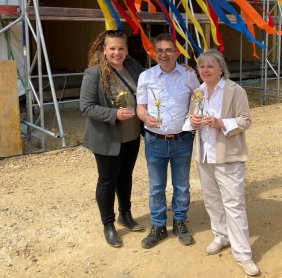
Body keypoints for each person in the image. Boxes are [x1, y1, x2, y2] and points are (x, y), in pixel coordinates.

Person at [185, 49, 259, 276]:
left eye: (209, 66)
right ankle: (221, 235)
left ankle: (243, 254)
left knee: (233, 204)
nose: (205, 70)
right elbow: (189, 119)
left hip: (228, 155)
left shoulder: (235, 91)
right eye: (201, 66)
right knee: (211, 199)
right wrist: (193, 120)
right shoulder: (197, 92)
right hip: (204, 155)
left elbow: (246, 120)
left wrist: (221, 123)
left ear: (221, 69)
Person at [79, 30, 145, 247]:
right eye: (112, 48)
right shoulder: (93, 73)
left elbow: (154, 81)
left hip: (132, 135)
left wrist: (182, 68)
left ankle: (125, 214)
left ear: (126, 49)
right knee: (107, 181)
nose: (117, 52)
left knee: (125, 176)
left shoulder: (134, 68)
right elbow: (86, 107)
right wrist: (113, 114)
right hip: (107, 137)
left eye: (121, 48)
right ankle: (108, 224)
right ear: (104, 50)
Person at [136, 33, 200, 248]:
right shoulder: (146, 76)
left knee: (181, 185)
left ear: (177, 53)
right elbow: (140, 107)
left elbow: (199, 98)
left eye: (168, 50)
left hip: (182, 140)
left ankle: (180, 222)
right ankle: (158, 226)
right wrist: (145, 118)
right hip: (155, 140)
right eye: (160, 50)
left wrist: (194, 116)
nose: (164, 54)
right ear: (155, 53)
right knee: (156, 186)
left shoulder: (189, 75)